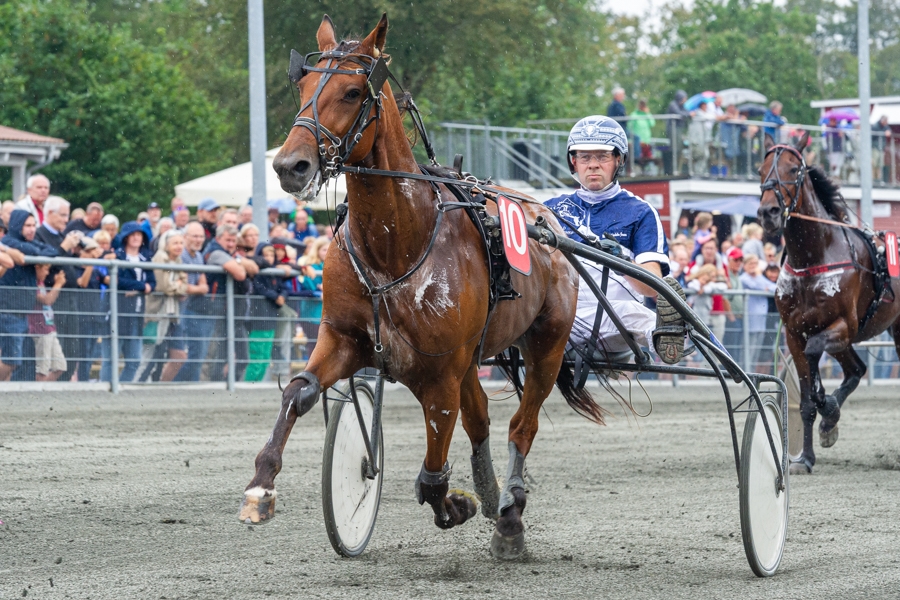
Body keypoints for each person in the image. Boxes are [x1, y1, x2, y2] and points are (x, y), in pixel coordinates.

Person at [544, 115, 686, 363]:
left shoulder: (640, 211)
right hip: (558, 315)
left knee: (631, 312)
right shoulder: (548, 209)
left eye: (602, 156)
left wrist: (620, 259)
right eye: (585, 157)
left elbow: (652, 286)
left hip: (613, 321)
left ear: (618, 160)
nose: (593, 165)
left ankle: (664, 335)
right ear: (573, 161)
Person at [0, 210, 61, 381]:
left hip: (21, 312)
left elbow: (51, 251)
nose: (32, 229)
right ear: (17, 225)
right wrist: (38, 252)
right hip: (8, 311)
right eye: (27, 225)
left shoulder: (29, 243)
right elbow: (38, 252)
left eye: (34, 225)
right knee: (11, 361)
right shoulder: (9, 241)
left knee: (14, 361)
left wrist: (38, 252)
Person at [35, 196, 82, 381]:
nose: (65, 219)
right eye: (62, 215)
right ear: (49, 213)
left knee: (73, 347)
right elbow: (46, 264)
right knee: (59, 348)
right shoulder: (40, 235)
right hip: (54, 299)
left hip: (70, 297)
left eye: (67, 215)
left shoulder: (61, 234)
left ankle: (64, 385)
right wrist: (64, 247)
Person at [203, 224, 258, 381]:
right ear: (218, 238)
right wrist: (240, 262)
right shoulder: (215, 252)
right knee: (218, 354)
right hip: (217, 310)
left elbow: (254, 268)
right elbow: (241, 274)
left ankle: (227, 385)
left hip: (233, 313)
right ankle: (217, 385)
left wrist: (238, 259)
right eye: (227, 240)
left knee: (241, 357)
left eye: (233, 241)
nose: (231, 244)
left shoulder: (230, 254)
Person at [140, 230, 188, 382]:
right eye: (175, 243)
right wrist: (178, 286)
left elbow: (184, 285)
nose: (179, 246)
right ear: (166, 245)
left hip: (169, 312)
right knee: (148, 349)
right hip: (156, 311)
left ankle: (144, 381)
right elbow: (163, 286)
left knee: (156, 350)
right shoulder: (160, 258)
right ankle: (136, 381)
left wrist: (177, 286)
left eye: (181, 243)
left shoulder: (178, 260)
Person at [111, 221, 156, 383]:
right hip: (119, 311)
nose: (137, 238)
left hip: (137, 312)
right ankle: (104, 392)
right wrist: (142, 287)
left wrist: (139, 289)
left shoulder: (145, 257)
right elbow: (118, 281)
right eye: (133, 234)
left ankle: (122, 388)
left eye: (139, 234)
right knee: (112, 358)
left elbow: (152, 283)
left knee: (134, 360)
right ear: (126, 237)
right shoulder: (118, 255)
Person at [174, 222, 211, 382]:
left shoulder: (199, 256)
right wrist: (197, 288)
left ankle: (192, 387)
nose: (198, 239)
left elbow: (203, 284)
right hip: (180, 310)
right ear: (185, 237)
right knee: (192, 355)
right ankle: (173, 386)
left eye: (201, 236)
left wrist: (195, 288)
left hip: (191, 308)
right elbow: (181, 285)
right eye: (195, 236)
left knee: (197, 355)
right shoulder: (181, 255)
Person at [244, 243, 285, 382]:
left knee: (265, 358)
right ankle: (247, 386)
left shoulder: (275, 273)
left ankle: (255, 385)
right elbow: (260, 288)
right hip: (258, 319)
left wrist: (282, 296)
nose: (269, 258)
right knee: (257, 357)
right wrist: (275, 296)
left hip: (270, 319)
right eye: (265, 255)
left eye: (271, 255)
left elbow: (284, 288)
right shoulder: (257, 272)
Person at [29, 263, 68, 381]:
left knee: (60, 366)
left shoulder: (41, 283)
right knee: (42, 369)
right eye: (45, 269)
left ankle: (43, 389)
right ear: (37, 268)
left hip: (49, 327)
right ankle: (37, 393)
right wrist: (58, 284)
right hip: (39, 329)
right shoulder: (32, 283)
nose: (47, 273)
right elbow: (47, 300)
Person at [739, 254, 777, 372]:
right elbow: (759, 287)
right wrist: (761, 278)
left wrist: (763, 282)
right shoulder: (744, 278)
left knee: (757, 348)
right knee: (749, 348)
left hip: (761, 320)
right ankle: (744, 372)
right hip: (751, 319)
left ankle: (750, 372)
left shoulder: (758, 277)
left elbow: (774, 287)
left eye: (755, 264)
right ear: (744, 266)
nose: (754, 267)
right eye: (751, 264)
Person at [722, 246, 745, 365]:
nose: (739, 263)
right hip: (732, 318)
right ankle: (730, 373)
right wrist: (731, 317)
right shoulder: (728, 275)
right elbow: (724, 298)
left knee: (736, 347)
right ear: (729, 260)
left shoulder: (736, 275)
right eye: (736, 260)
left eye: (740, 260)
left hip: (739, 317)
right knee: (731, 347)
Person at [627, 99, 655, 174]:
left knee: (648, 160)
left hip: (647, 142)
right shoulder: (634, 115)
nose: (643, 106)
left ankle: (648, 173)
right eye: (641, 104)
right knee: (638, 159)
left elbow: (652, 123)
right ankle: (635, 172)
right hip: (638, 143)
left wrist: (648, 113)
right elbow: (629, 127)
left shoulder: (647, 114)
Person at [872, 115, 891, 183]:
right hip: (875, 148)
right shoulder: (875, 126)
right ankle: (873, 179)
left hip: (881, 148)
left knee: (880, 164)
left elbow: (888, 130)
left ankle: (879, 179)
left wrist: (888, 131)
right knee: (874, 164)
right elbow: (873, 137)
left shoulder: (885, 126)